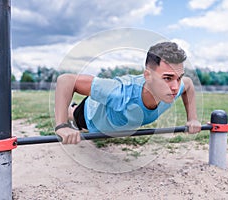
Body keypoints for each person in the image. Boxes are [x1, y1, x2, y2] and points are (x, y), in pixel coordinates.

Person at [55, 42, 201, 144]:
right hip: (90, 114)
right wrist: (62, 126)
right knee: (73, 115)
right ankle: (71, 110)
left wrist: (192, 118)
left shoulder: (177, 86)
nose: (175, 87)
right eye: (167, 78)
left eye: (178, 78)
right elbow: (65, 81)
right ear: (148, 76)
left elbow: (188, 85)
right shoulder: (119, 92)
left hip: (117, 117)